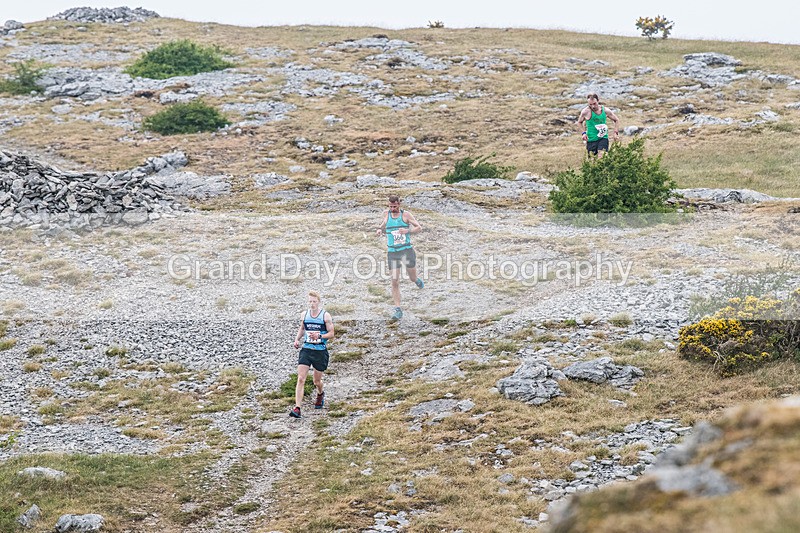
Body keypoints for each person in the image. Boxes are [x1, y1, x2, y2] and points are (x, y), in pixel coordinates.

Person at [375, 195, 424, 320]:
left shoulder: (406, 215)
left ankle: (417, 280)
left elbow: (419, 227)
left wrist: (408, 231)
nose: (392, 209)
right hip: (393, 252)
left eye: (394, 206)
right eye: (390, 206)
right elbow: (383, 224)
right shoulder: (386, 213)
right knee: (394, 281)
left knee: (412, 278)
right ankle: (398, 309)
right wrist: (380, 229)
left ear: (399, 205)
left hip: (406, 251)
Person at [290, 291, 334, 418]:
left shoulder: (325, 316)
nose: (312, 304)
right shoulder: (304, 314)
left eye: (314, 301)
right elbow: (302, 328)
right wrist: (297, 339)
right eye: (310, 301)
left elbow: (331, 333)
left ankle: (320, 393)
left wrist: (320, 335)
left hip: (320, 350)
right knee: (301, 378)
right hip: (307, 349)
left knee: (316, 381)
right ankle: (297, 408)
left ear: (318, 302)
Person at [577, 93, 620, 158]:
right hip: (591, 139)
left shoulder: (605, 110)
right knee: (592, 162)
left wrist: (615, 133)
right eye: (590, 104)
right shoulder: (585, 112)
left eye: (594, 103)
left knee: (602, 157)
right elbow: (579, 122)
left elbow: (616, 120)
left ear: (598, 101)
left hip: (603, 138)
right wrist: (583, 133)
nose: (593, 106)